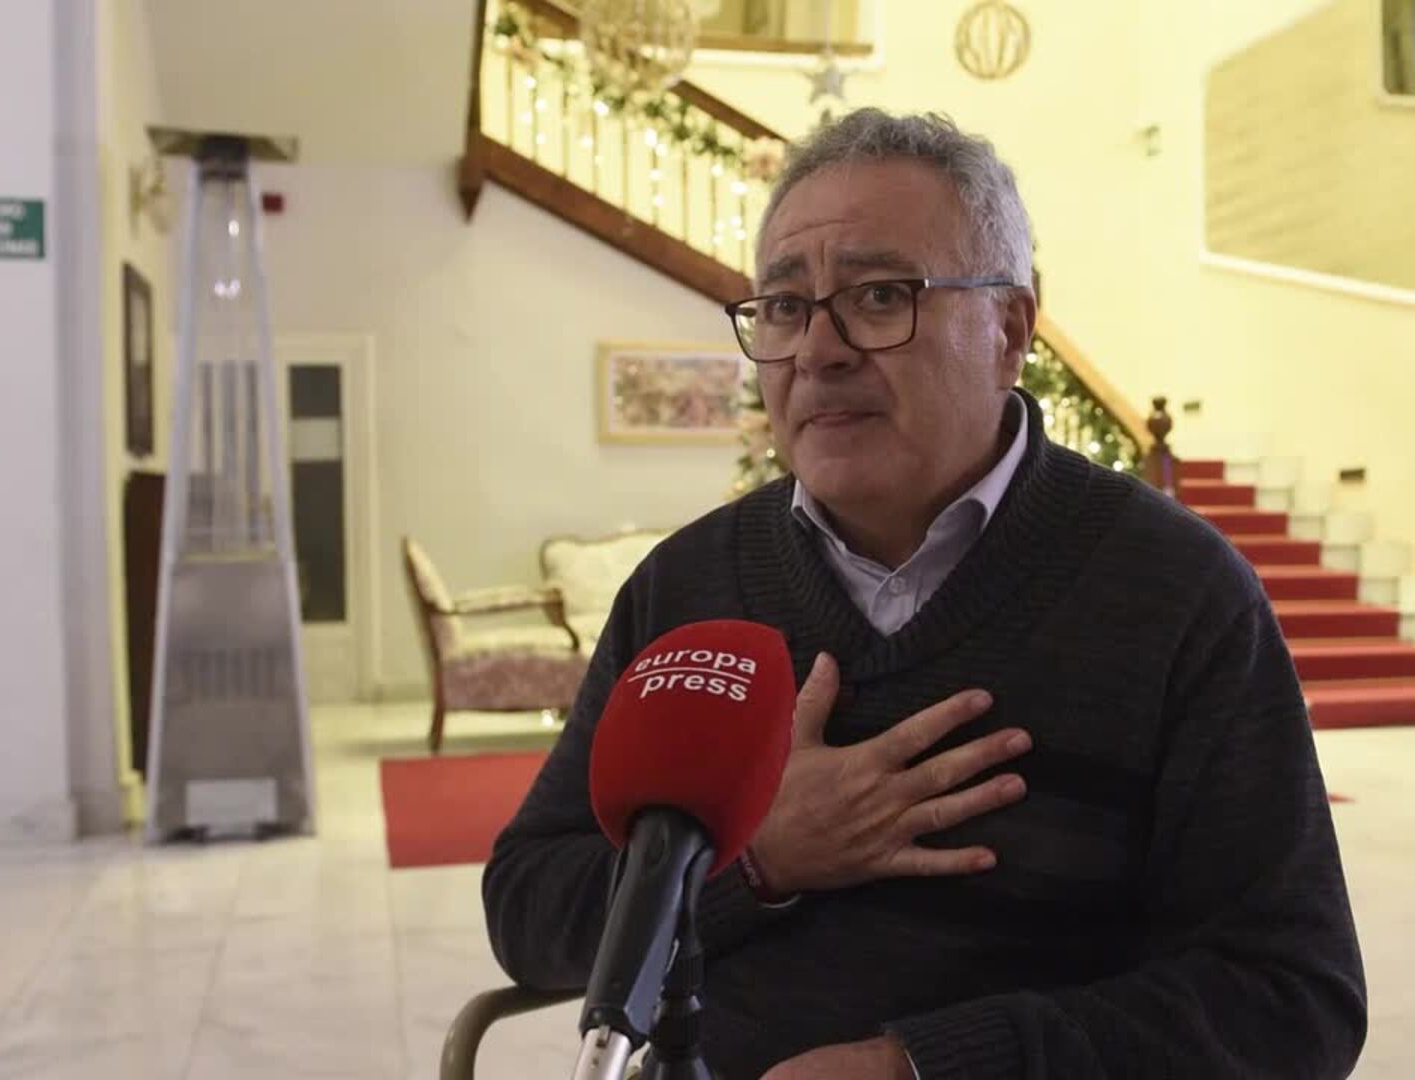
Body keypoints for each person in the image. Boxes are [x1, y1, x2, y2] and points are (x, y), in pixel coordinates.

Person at [484, 108, 1366, 1079]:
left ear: (1009, 330)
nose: (817, 350)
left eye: (879, 296)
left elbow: (1293, 999)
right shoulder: (689, 588)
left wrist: (923, 1069)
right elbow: (527, 909)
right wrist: (755, 857)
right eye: (784, 306)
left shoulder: (1176, 594)